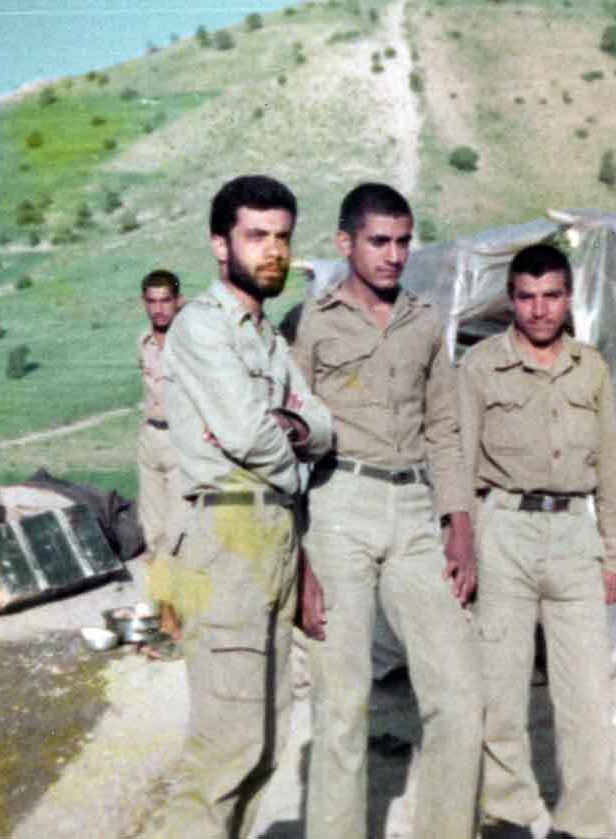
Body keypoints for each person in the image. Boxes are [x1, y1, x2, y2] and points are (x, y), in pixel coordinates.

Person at [291, 182, 483, 839]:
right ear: (345, 243)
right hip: (338, 504)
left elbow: (444, 430)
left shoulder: (425, 322)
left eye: (403, 242)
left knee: (459, 696)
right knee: (342, 706)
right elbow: (287, 440)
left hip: (415, 509)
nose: (394, 255)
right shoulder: (312, 323)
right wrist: (300, 559)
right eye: (379, 241)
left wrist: (459, 524)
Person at [156, 174, 333, 839]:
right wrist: (295, 456)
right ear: (219, 245)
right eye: (256, 236)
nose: (273, 251)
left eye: (282, 237)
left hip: (275, 528)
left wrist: (295, 429)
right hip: (227, 532)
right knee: (225, 748)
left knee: (264, 743)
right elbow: (250, 433)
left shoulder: (267, 338)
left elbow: (322, 423)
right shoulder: (202, 326)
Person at [459, 243, 616, 839]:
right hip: (504, 528)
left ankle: (584, 822)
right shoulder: (481, 365)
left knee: (586, 695)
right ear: (511, 300)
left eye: (551, 296)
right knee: (500, 688)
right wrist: (464, 551)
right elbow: (460, 466)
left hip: (573, 534)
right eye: (527, 297)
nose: (539, 310)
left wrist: (614, 554)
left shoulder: (591, 367)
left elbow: (610, 468)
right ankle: (505, 812)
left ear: (568, 298)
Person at [136, 268, 187, 640]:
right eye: (152, 301)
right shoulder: (143, 342)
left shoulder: (189, 342)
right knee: (153, 532)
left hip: (181, 442)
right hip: (150, 439)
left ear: (178, 301)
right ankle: (164, 610)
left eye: (166, 300)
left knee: (177, 531)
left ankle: (175, 615)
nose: (159, 309)